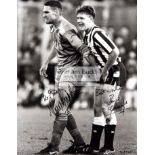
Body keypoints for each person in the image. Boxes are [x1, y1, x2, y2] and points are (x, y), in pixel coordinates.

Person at [36, 1, 92, 154]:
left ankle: (53, 148)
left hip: (72, 72)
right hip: (62, 71)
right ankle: (80, 145)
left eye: (46, 12)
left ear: (57, 13)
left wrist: (95, 73)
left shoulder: (66, 29)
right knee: (61, 108)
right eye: (43, 12)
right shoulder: (55, 26)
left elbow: (83, 49)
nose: (43, 15)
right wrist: (46, 63)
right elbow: (57, 44)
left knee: (60, 108)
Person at [76, 5, 126, 154]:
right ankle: (94, 146)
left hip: (114, 70)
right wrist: (95, 68)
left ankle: (109, 147)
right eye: (77, 18)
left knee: (106, 108)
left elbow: (115, 52)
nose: (78, 20)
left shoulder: (96, 33)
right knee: (97, 108)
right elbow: (91, 55)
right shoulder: (86, 34)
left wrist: (103, 71)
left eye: (82, 18)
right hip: (104, 71)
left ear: (91, 19)